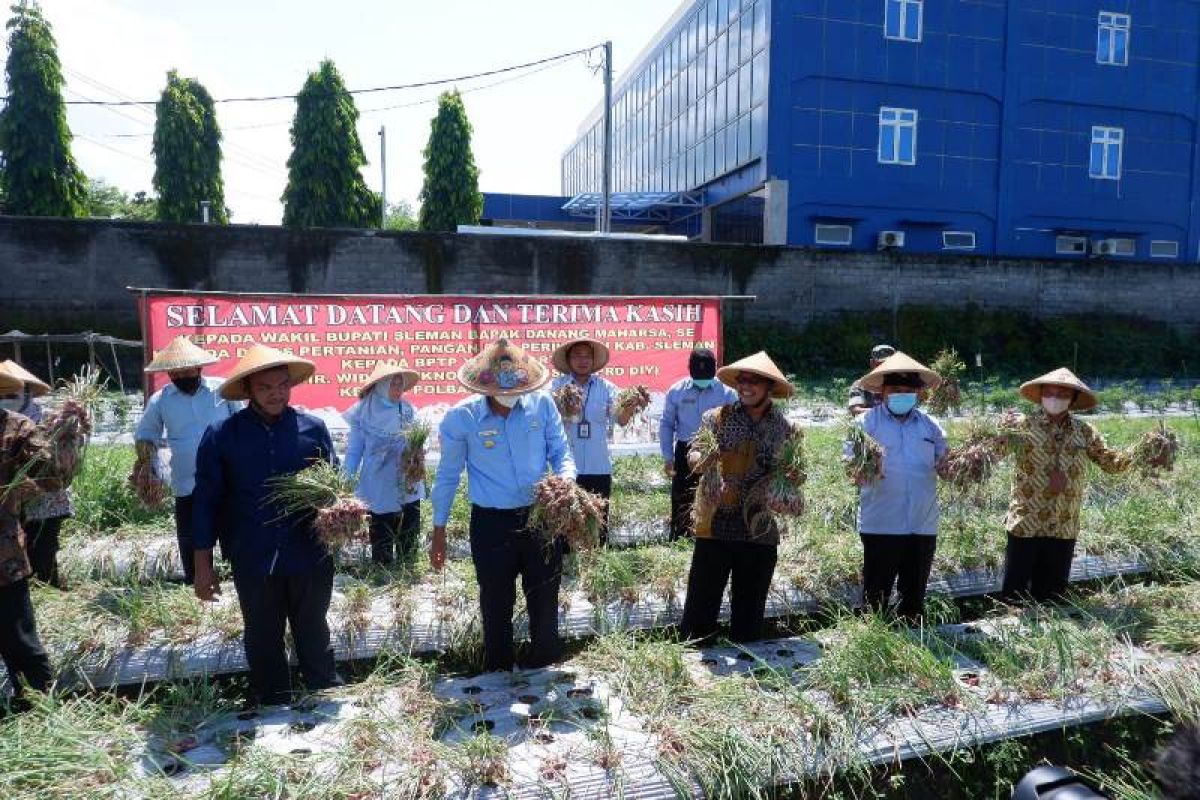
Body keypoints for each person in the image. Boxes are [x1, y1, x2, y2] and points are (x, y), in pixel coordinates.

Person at [191, 344, 342, 706]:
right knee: (262, 630)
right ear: (247, 391)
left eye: (282, 385)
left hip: (308, 550)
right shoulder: (222, 435)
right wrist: (202, 566)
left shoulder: (313, 429)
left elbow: (333, 486)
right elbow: (205, 502)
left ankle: (322, 691)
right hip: (253, 551)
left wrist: (341, 513)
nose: (275, 394)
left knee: (313, 624)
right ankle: (273, 699)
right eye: (264, 388)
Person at [430, 339, 575, 672]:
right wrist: (439, 530)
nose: (510, 395)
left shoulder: (542, 406)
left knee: (544, 594)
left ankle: (542, 665)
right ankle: (498, 669)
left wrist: (565, 483)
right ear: (486, 386)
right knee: (495, 599)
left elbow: (561, 453)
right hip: (491, 524)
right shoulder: (461, 418)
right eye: (501, 389)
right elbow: (448, 476)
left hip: (540, 517)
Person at [679, 352, 798, 644]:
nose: (745, 387)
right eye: (742, 381)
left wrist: (786, 490)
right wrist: (702, 459)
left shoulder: (785, 429)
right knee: (700, 609)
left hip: (759, 531)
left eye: (754, 382)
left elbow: (793, 475)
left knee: (749, 611)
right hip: (715, 525)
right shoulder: (717, 418)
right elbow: (693, 455)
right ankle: (695, 668)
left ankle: (748, 669)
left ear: (769, 387)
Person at [997, 368, 1135, 604]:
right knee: (1015, 599)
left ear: (1071, 399)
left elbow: (1111, 464)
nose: (1055, 398)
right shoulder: (1022, 426)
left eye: (1062, 393)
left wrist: (1141, 454)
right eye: (1049, 392)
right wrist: (1000, 432)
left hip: (1063, 522)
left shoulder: (1085, 431)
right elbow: (995, 453)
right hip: (1026, 521)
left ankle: (1049, 637)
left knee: (1052, 598)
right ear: (1040, 395)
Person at [848, 352, 947, 620]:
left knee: (913, 600)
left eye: (907, 391)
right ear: (882, 392)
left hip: (922, 524)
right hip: (881, 523)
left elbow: (946, 465)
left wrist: (966, 463)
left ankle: (912, 646)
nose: (901, 395)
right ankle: (874, 648)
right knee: (875, 597)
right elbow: (851, 468)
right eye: (895, 390)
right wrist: (862, 469)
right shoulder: (864, 425)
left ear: (918, 394)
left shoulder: (931, 426)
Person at [134, 337, 241, 584]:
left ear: (198, 368)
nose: (182, 375)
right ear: (169, 373)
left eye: (187, 371)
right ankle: (196, 581)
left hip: (227, 479)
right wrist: (147, 466)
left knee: (234, 531)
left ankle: (240, 577)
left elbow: (242, 424)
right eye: (176, 372)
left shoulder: (222, 390)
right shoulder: (161, 400)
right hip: (186, 481)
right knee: (192, 536)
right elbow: (145, 434)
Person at [0, 368, 61, 708]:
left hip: (3, 554)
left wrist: (65, 437)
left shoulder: (16, 428)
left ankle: (40, 706)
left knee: (19, 639)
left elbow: (51, 478)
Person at [549, 338, 639, 545]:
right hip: (565, 467)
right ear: (569, 360)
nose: (582, 360)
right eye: (577, 356)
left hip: (598, 467)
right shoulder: (556, 387)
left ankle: (595, 565)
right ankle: (565, 567)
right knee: (564, 523)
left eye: (587, 356)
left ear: (593, 360)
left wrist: (631, 404)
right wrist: (564, 410)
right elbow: (547, 421)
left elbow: (622, 420)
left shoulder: (606, 387)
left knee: (597, 523)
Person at [343, 362, 424, 567]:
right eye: (393, 384)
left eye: (400, 384)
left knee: (410, 517)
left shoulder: (407, 409)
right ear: (381, 385)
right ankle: (383, 566)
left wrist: (418, 451)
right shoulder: (363, 412)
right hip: (378, 476)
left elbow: (421, 440)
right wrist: (345, 480)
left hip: (407, 474)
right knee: (381, 521)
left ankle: (408, 562)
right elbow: (354, 450)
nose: (398, 389)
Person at [0, 361, 69, 588]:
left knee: (43, 550)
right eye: (4, 394)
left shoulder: (47, 421)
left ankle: (46, 587)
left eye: (15, 393)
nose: (8, 398)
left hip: (45, 503)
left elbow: (58, 470)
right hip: (12, 509)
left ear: (28, 392)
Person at [659, 348, 737, 540]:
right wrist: (668, 458)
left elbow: (737, 425)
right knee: (682, 496)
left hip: (717, 451)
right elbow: (667, 424)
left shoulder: (728, 393)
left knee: (716, 494)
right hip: (686, 448)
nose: (702, 381)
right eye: (698, 375)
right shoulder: (677, 391)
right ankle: (680, 537)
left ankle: (713, 536)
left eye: (706, 376)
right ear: (689, 370)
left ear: (715, 370)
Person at [847, 344, 896, 416]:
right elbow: (855, 410)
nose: (884, 368)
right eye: (880, 364)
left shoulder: (902, 384)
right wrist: (883, 413)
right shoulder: (860, 384)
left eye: (888, 364)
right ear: (872, 363)